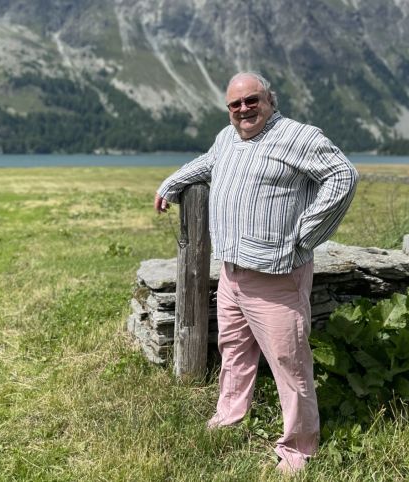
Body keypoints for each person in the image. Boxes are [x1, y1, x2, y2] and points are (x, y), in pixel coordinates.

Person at [153, 72, 358, 474]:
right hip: (231, 273)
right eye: (235, 104)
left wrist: (306, 233)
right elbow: (208, 163)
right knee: (233, 351)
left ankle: (300, 447)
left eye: (252, 100)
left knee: (289, 363)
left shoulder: (299, 136)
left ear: (270, 101)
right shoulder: (227, 137)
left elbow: (343, 175)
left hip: (277, 276)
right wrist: (172, 182)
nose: (243, 109)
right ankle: (230, 415)